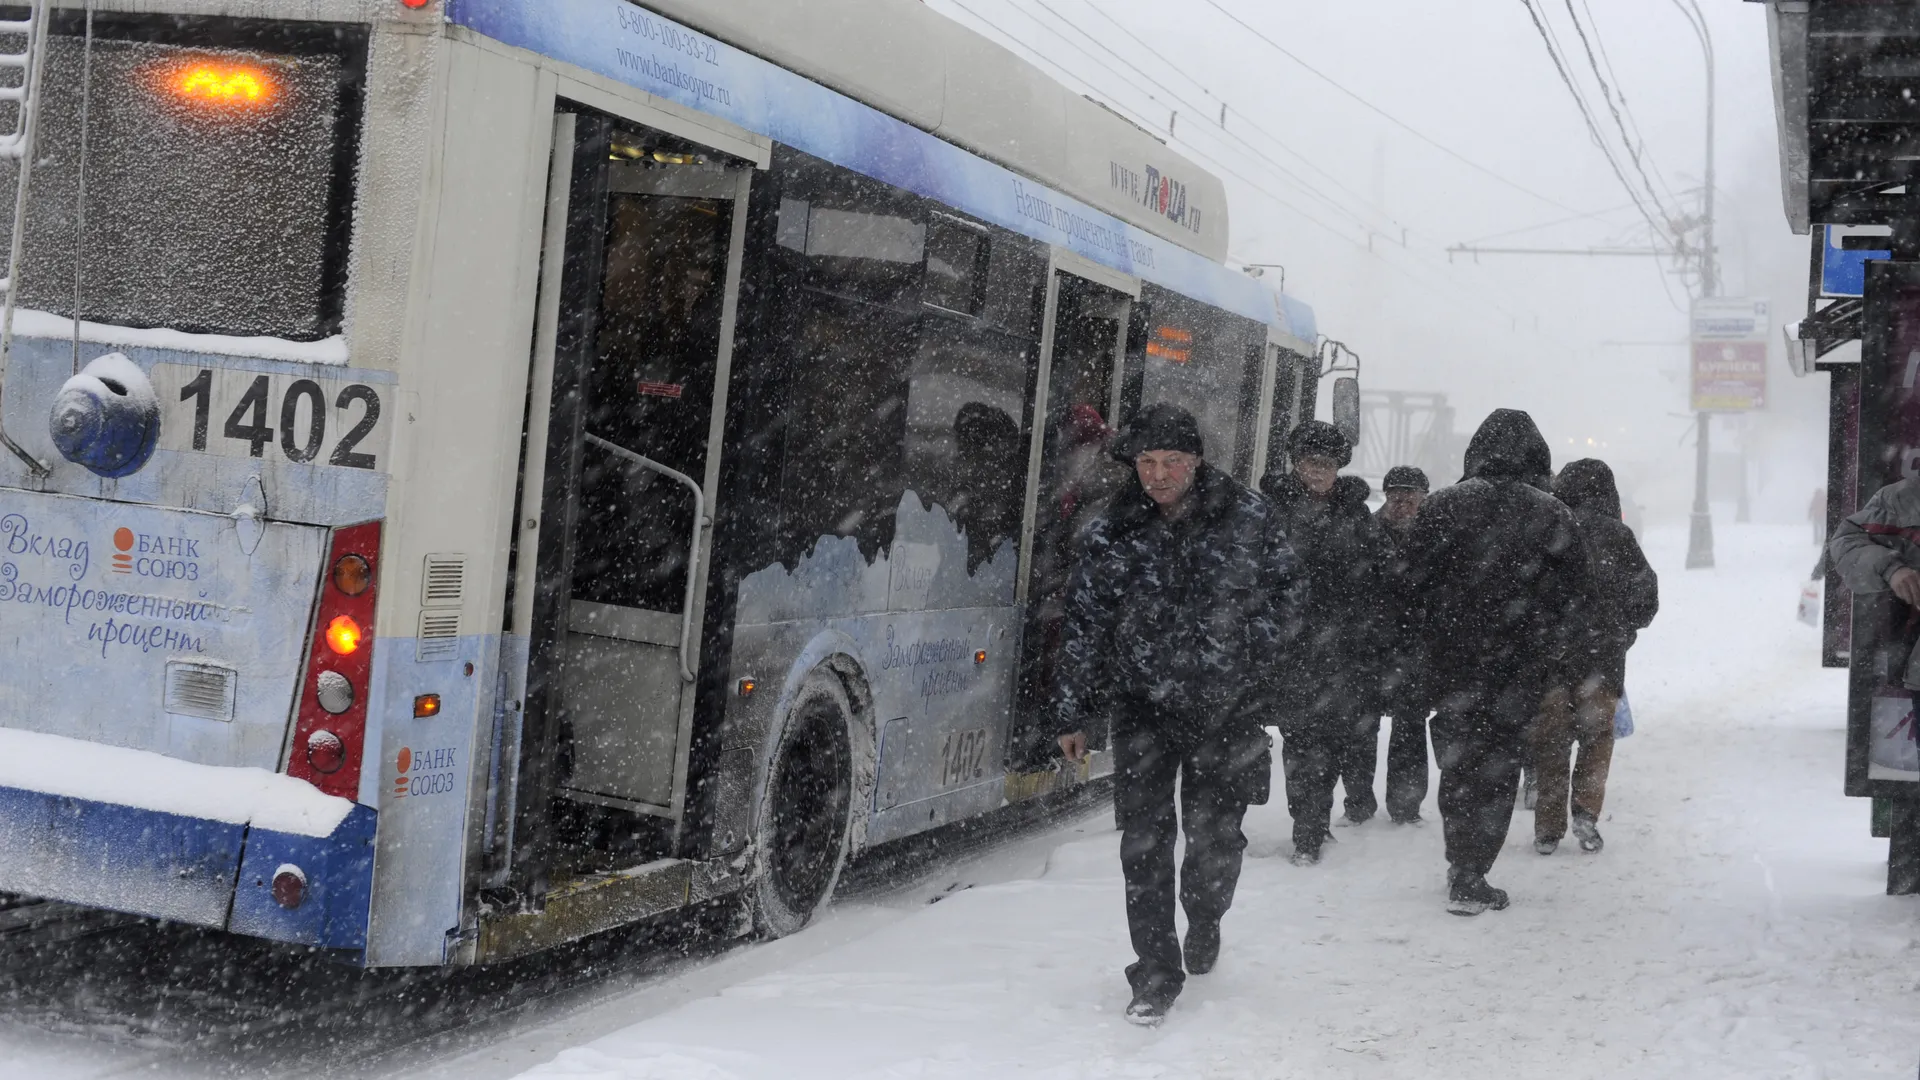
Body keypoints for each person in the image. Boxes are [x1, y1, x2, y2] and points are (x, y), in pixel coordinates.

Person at [1055, 403, 1305, 1026]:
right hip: (1141, 707)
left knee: (1214, 837)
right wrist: (1073, 710)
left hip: (1227, 708)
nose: (1157, 476)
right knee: (1143, 842)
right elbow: (1086, 620)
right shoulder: (1114, 526)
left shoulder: (1247, 516)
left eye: (1170, 462)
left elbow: (1291, 594)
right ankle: (1155, 972)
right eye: (1145, 463)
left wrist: (1245, 650)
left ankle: (1206, 916)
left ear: (1195, 461)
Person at [1405, 409, 1591, 916]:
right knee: (1500, 766)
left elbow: (1409, 586)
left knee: (1459, 763)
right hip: (1519, 669)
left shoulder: (1442, 507)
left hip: (1454, 666)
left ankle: (1460, 860)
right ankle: (1475, 868)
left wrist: (1424, 649)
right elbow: (1576, 598)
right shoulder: (1553, 515)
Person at [1260, 421, 1391, 862]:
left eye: (1325, 464)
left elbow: (1377, 577)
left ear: (1338, 468)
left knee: (1333, 740)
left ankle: (1314, 818)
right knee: (1301, 739)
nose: (1316, 472)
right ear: (1295, 465)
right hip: (1293, 647)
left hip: (1344, 651)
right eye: (1308, 463)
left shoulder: (1355, 514)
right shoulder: (1271, 511)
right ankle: (1308, 828)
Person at [1532, 459, 1658, 856]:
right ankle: (1586, 813)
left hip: (1552, 659)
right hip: (1602, 660)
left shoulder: (1549, 529)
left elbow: (1527, 593)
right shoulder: (1618, 535)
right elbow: (1646, 598)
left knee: (1551, 742)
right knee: (1596, 740)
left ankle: (1548, 828)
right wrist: (1622, 629)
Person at [1375, 465, 1432, 824]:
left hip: (1414, 646)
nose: (1403, 504)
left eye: (1410, 498)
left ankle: (1405, 804)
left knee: (1409, 726)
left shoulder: (1434, 537)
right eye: (1396, 496)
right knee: (1360, 728)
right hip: (1370, 643)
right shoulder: (1365, 530)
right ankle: (1358, 799)